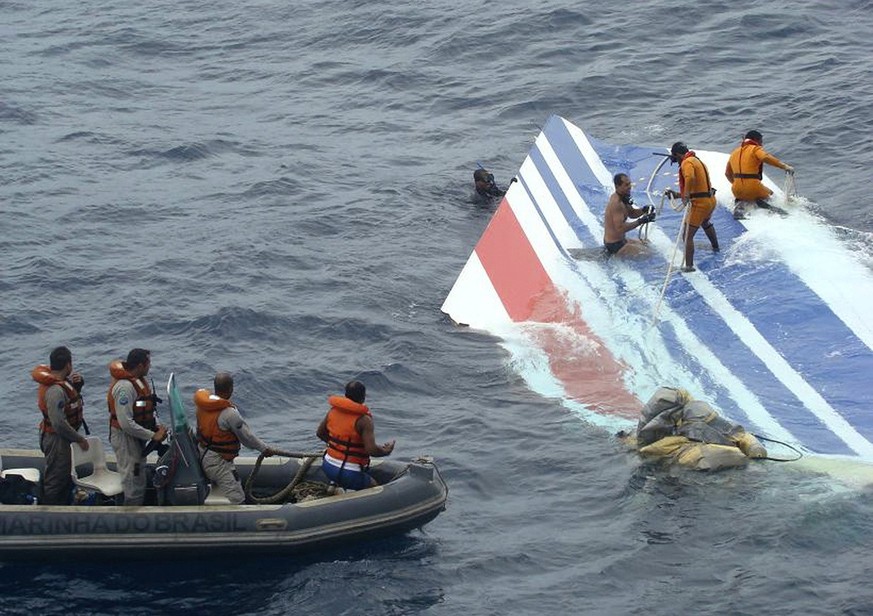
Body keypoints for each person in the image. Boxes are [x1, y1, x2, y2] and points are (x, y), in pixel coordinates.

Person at [194, 372, 277, 504]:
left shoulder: (202, 407)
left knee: (235, 482)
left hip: (204, 455)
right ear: (231, 389)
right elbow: (247, 438)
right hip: (218, 463)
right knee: (238, 498)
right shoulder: (229, 414)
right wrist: (264, 449)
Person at [107, 348, 168, 505]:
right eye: (148, 363)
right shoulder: (125, 388)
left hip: (137, 437)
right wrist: (152, 435)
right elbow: (125, 423)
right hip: (125, 438)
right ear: (141, 365)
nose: (150, 366)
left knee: (138, 474)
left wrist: (156, 427)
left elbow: (145, 409)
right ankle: (129, 516)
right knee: (132, 478)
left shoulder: (140, 383)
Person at [31, 346, 89, 505]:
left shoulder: (63, 384)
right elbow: (58, 423)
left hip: (63, 438)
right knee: (56, 479)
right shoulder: (55, 390)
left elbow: (69, 404)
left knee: (65, 476)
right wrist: (79, 439)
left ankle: (64, 505)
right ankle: (50, 513)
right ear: (68, 365)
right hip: (57, 439)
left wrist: (77, 388)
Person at [316, 380, 395, 490]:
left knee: (346, 476)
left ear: (346, 395)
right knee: (374, 487)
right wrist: (386, 451)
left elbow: (320, 433)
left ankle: (336, 485)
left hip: (327, 465)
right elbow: (371, 450)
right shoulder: (364, 420)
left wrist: (338, 447)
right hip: (349, 472)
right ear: (363, 397)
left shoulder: (333, 411)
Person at [666, 142, 720, 272]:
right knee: (705, 222)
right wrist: (678, 195)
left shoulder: (687, 163)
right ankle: (715, 247)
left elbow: (690, 177)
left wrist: (685, 196)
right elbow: (698, 189)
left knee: (687, 235)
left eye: (676, 158)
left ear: (678, 154)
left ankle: (689, 266)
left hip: (700, 204)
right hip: (710, 201)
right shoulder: (696, 160)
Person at [725, 130, 794, 219]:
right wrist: (784, 166)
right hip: (753, 188)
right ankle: (762, 203)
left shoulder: (734, 153)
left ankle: (740, 206)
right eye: (761, 142)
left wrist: (737, 184)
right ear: (755, 140)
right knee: (771, 194)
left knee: (744, 197)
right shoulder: (755, 149)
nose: (761, 145)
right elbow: (765, 157)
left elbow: (727, 174)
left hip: (736, 190)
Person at [603, 172, 656, 257]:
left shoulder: (624, 197)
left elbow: (632, 213)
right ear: (617, 187)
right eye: (626, 185)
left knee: (647, 244)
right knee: (648, 254)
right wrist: (641, 221)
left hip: (621, 240)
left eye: (629, 184)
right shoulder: (616, 203)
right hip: (615, 245)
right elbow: (620, 228)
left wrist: (643, 210)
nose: (630, 187)